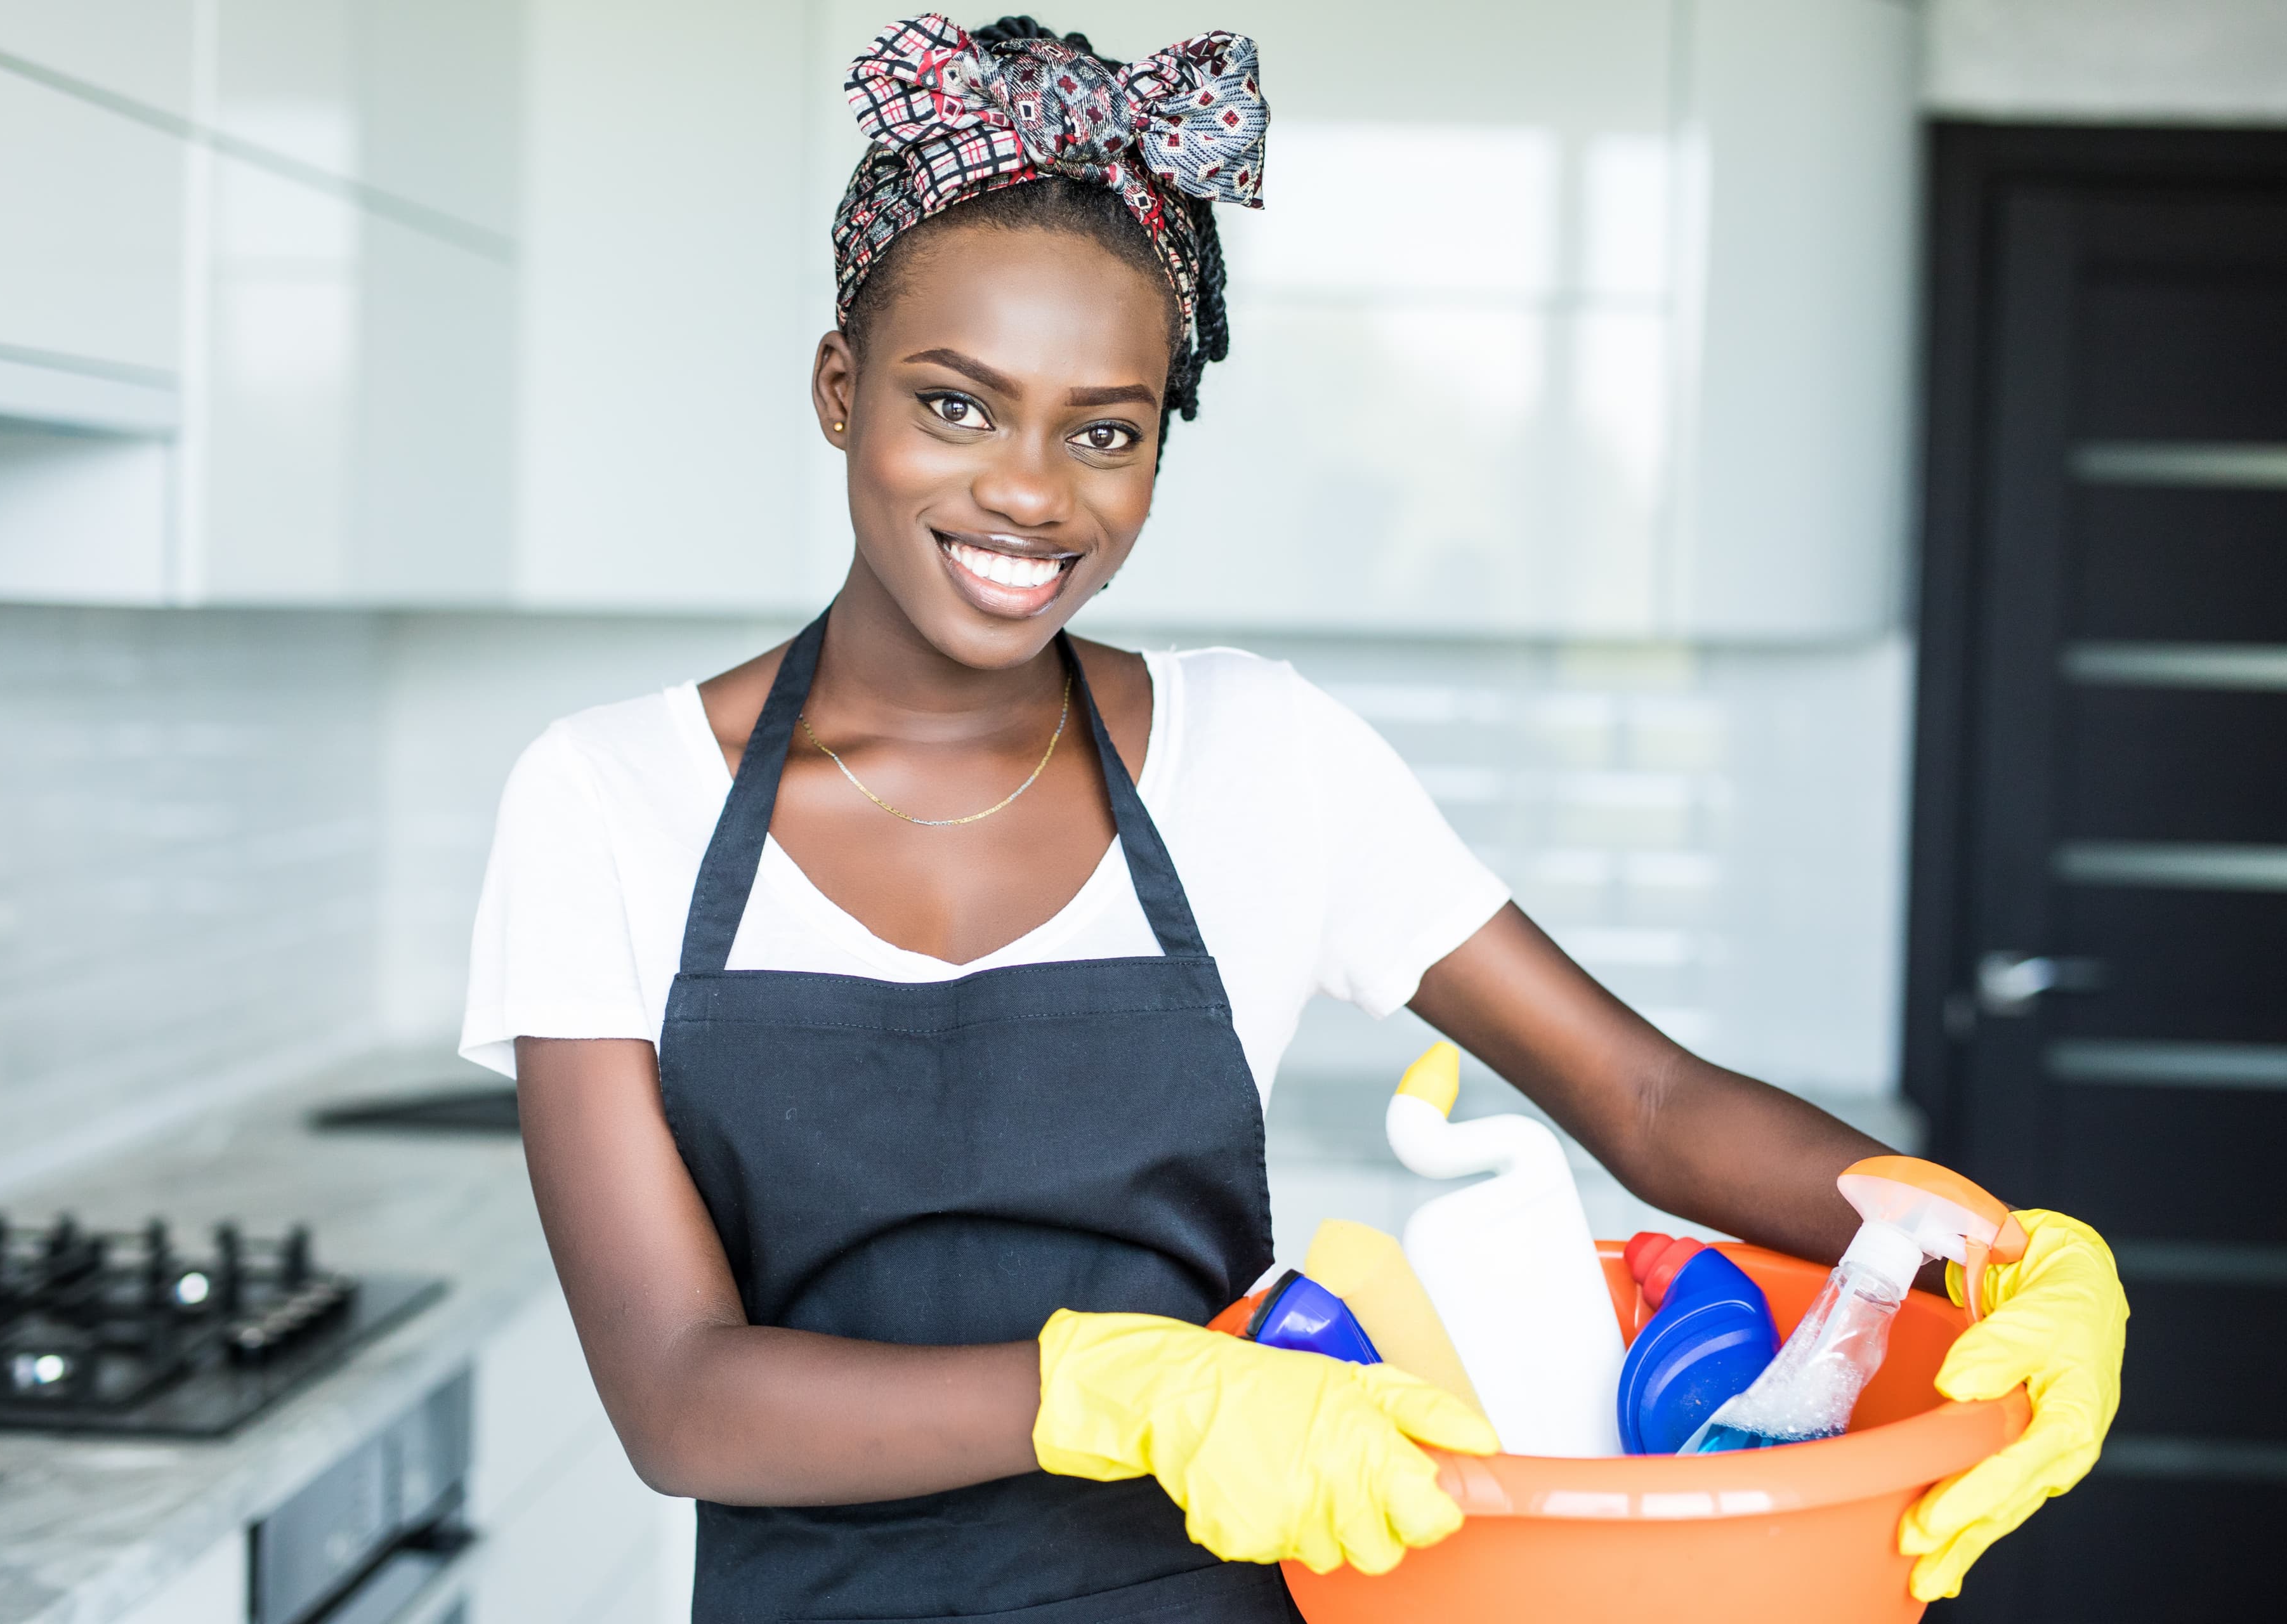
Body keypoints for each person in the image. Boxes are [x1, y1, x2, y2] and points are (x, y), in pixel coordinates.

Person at [462, 15, 2126, 1623]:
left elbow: (1644, 1093)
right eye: (955, 404)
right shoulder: (611, 801)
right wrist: (1121, 1391)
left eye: (1104, 432)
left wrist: (1980, 1244)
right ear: (843, 389)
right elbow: (680, 1398)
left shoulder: (1256, 755)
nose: (1032, 494)